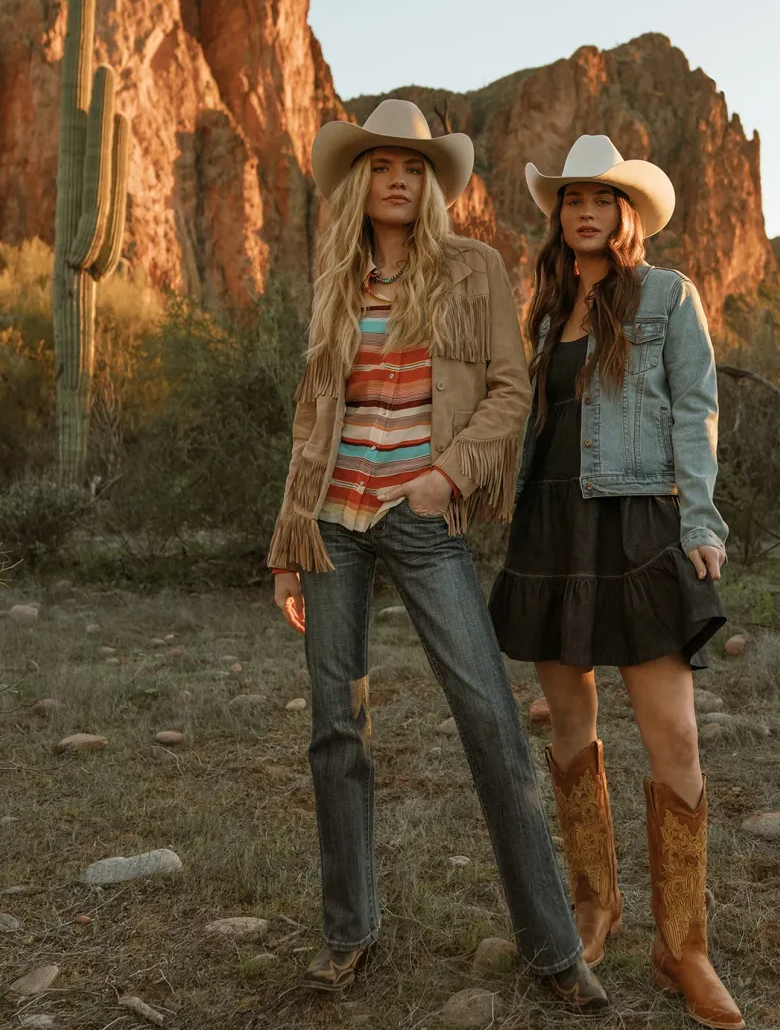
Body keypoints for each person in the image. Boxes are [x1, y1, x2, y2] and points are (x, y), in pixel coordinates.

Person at [269, 100, 606, 1013]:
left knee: (492, 721)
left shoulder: (472, 268)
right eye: (382, 166)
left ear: (432, 185)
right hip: (332, 521)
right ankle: (349, 933)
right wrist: (289, 541)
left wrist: (446, 476)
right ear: (361, 181)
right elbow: (312, 412)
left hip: (421, 515)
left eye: (413, 168)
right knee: (336, 729)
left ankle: (554, 948)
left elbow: (509, 389)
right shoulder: (336, 276)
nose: (398, 181)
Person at [489, 135, 745, 1028]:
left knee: (675, 732)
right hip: (552, 527)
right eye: (572, 199)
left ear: (627, 212)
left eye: (601, 198)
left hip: (637, 525)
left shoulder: (667, 295)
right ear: (559, 215)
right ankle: (595, 906)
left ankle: (685, 947)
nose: (585, 211)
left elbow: (695, 407)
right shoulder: (546, 309)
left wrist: (701, 523)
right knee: (570, 721)